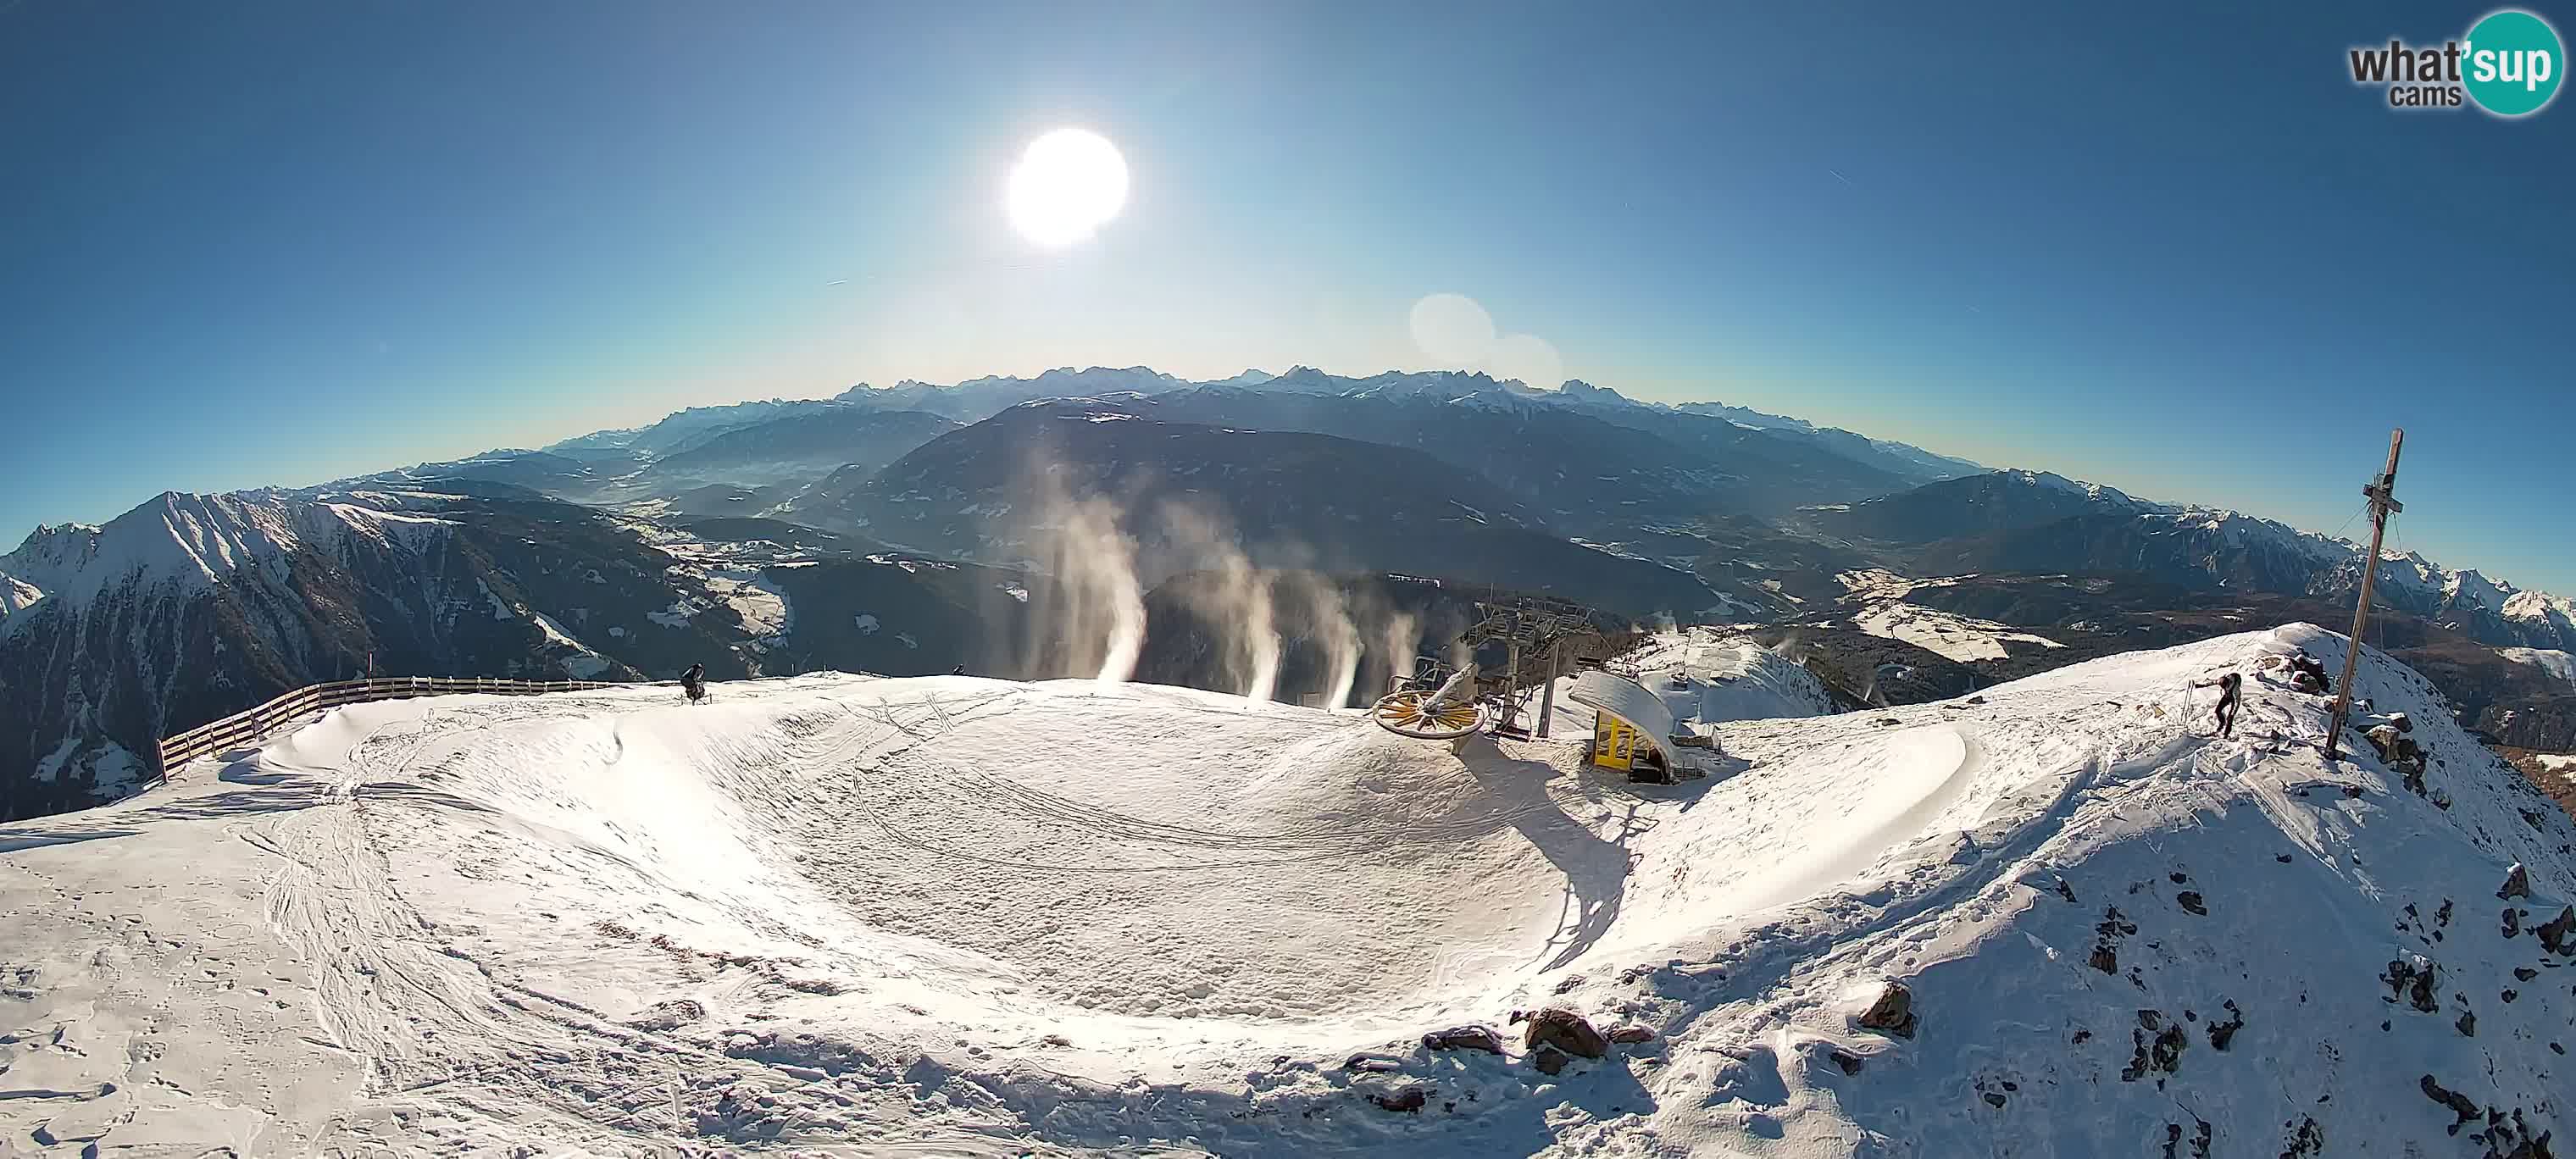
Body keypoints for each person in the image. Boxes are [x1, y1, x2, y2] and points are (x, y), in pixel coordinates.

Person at [2190, 672, 2242, 737]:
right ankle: (2222, 723)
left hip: (2233, 698)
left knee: (2230, 718)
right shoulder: (2222, 680)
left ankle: (2226, 733)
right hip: (2227, 695)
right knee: (2218, 711)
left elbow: (2237, 702)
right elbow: (2213, 682)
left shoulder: (2235, 689)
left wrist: (2233, 713)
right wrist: (2202, 685)